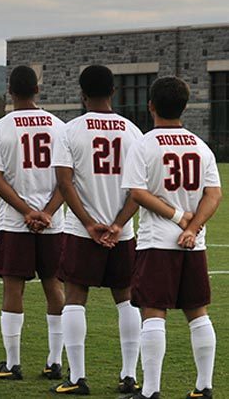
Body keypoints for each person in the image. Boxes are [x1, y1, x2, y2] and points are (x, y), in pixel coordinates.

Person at [121, 76, 221, 399]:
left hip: (157, 242)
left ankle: (150, 391)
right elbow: (214, 194)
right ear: (185, 107)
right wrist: (192, 229)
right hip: (193, 245)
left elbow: (137, 192)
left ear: (150, 106)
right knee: (197, 312)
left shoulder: (145, 144)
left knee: (153, 311)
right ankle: (204, 386)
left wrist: (178, 218)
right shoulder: (200, 146)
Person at [50, 65, 143, 395]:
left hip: (81, 230)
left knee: (75, 298)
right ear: (114, 93)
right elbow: (138, 189)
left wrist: (90, 224)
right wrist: (118, 224)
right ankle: (129, 375)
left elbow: (64, 182)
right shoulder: (133, 131)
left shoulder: (70, 130)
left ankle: (77, 378)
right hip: (123, 232)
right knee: (127, 300)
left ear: (81, 94)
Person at [0, 65, 66, 381]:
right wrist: (46, 212)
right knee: (54, 286)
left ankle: (13, 362)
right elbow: (66, 179)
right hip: (53, 222)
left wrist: (27, 212)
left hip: (15, 223)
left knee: (12, 288)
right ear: (37, 91)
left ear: (10, 92)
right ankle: (54, 361)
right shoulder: (60, 127)